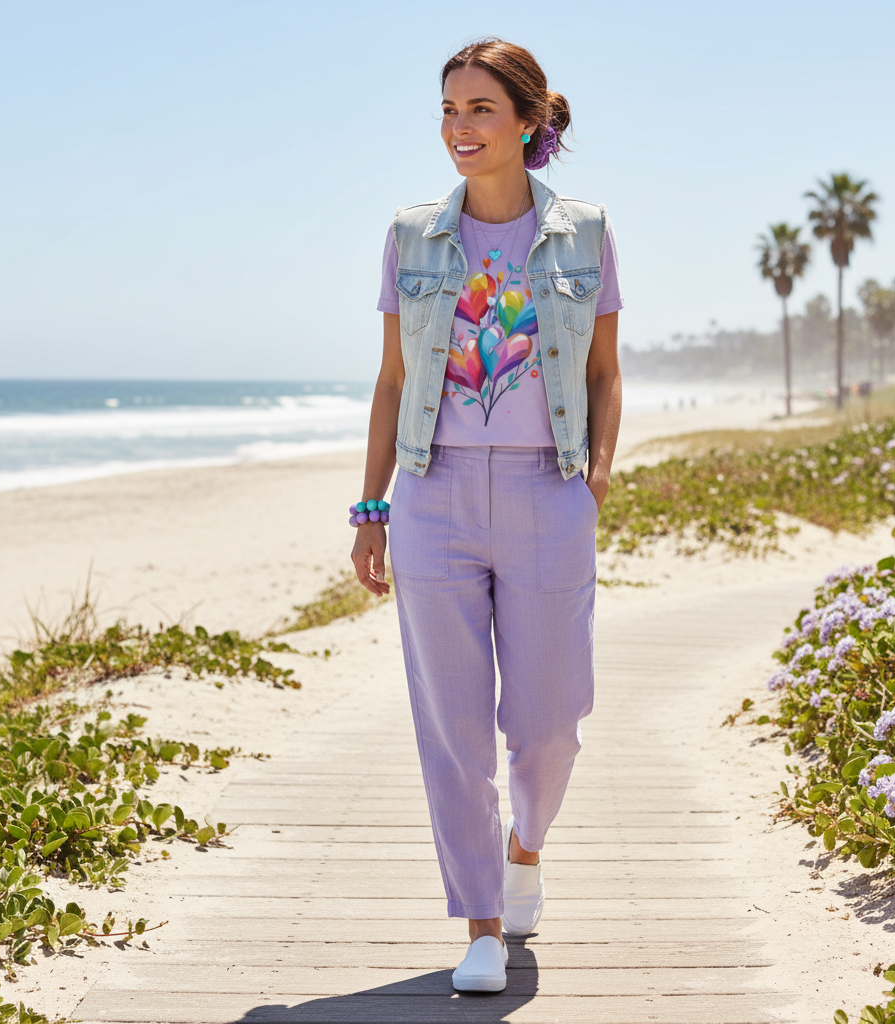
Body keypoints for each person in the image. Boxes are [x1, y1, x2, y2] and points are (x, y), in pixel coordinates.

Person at [351, 37, 623, 993]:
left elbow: (601, 375)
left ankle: (525, 845)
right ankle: (478, 922)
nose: (458, 128)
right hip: (435, 494)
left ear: (527, 120)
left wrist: (588, 484)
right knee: (451, 723)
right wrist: (373, 505)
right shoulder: (412, 235)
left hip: (550, 491)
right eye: (449, 110)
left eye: (478, 110)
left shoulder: (584, 232)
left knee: (552, 720)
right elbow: (391, 381)